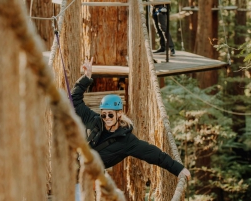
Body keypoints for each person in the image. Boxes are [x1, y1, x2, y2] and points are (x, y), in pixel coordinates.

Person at [72, 58, 190, 200]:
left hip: (90, 178)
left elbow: (154, 154)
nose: (107, 118)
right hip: (73, 168)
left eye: (110, 114)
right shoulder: (93, 120)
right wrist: (86, 77)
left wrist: (179, 169)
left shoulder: (127, 140)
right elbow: (74, 100)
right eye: (104, 114)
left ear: (119, 114)